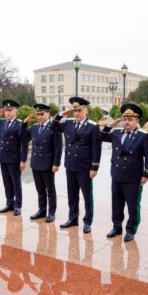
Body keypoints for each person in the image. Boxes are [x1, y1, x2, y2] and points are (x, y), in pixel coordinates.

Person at [101, 103, 148, 242]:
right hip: (117, 174)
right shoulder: (117, 133)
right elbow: (101, 137)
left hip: (133, 177)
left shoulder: (143, 136)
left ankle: (131, 229)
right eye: (125, 119)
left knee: (132, 205)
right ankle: (116, 227)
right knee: (116, 204)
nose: (127, 122)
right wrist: (110, 125)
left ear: (136, 120)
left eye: (130, 119)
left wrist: (146, 174)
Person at [50, 97, 101, 233]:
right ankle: (73, 218)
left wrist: (94, 167)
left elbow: (96, 148)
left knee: (87, 196)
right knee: (72, 194)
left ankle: (87, 221)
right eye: (75, 111)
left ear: (86, 110)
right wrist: (60, 115)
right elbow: (52, 127)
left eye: (79, 110)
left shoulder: (92, 126)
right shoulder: (68, 123)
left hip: (84, 167)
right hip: (70, 165)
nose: (77, 113)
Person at [0, 99, 28, 216]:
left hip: (14, 158)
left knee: (16, 183)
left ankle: (18, 205)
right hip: (3, 157)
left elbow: (25, 144)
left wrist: (23, 160)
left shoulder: (20, 124)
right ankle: (9, 204)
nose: (7, 113)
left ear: (15, 111)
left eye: (10, 110)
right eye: (6, 110)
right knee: (7, 183)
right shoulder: (1, 123)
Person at [19, 103, 62, 223]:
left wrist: (56, 163)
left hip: (48, 163)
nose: (40, 117)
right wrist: (24, 123)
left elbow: (58, 147)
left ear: (48, 114)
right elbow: (22, 136)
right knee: (40, 189)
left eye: (42, 114)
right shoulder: (34, 127)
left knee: (50, 190)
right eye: (38, 115)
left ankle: (51, 212)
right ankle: (42, 210)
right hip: (36, 162)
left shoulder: (54, 127)